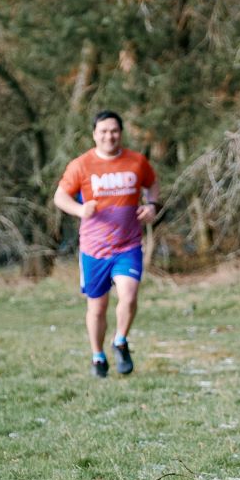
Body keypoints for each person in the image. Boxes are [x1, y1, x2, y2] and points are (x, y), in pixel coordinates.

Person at [54, 110, 160, 378]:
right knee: (97, 307)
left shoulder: (136, 162)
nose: (109, 136)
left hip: (128, 245)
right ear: (94, 134)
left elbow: (153, 184)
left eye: (113, 131)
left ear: (120, 133)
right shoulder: (81, 165)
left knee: (129, 295)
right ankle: (98, 356)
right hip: (94, 249)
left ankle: (120, 341)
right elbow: (60, 197)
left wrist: (151, 206)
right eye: (103, 131)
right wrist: (79, 211)